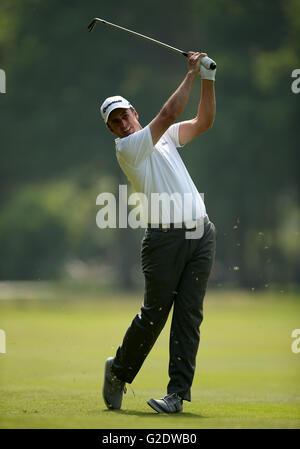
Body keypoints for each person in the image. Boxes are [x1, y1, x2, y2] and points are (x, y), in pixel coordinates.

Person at [100, 52, 217, 414]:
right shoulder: (128, 148)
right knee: (154, 316)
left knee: (189, 317)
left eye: (124, 115)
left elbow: (203, 122)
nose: (121, 123)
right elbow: (168, 114)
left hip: (202, 234)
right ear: (112, 130)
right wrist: (192, 74)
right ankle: (118, 371)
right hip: (163, 241)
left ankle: (176, 396)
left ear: (134, 112)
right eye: (114, 121)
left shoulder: (163, 138)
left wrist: (209, 80)